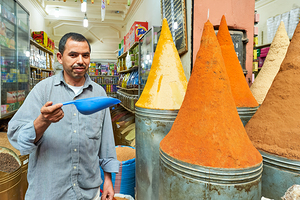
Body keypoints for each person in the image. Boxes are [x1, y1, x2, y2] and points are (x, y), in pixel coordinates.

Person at [7, 32, 120, 200]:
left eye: (85, 55)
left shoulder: (99, 93)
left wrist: (109, 179)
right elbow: (18, 139)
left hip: (89, 193)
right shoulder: (43, 90)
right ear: (60, 57)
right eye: (73, 55)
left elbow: (106, 141)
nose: (80, 61)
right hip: (49, 192)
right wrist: (42, 122)